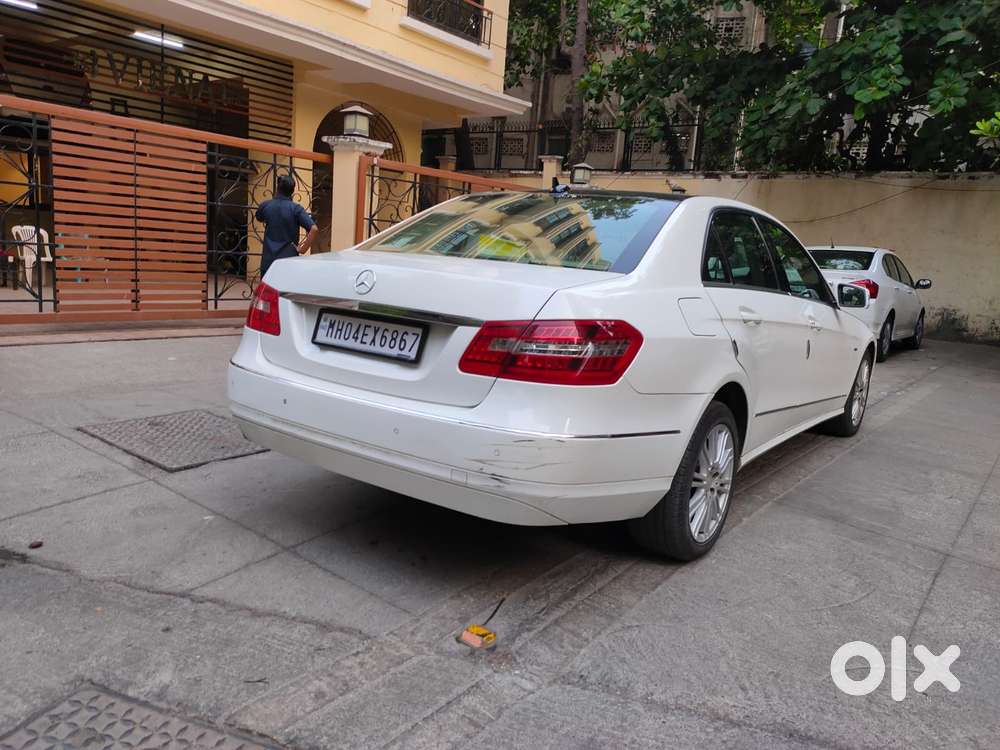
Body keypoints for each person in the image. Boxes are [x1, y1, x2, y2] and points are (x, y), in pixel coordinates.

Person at [255, 174, 319, 278]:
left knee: (267, 288)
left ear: (277, 188)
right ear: (292, 191)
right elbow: (314, 229)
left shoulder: (266, 206)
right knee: (286, 288)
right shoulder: (296, 209)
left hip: (268, 261)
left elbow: (259, 217)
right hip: (288, 261)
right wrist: (303, 249)